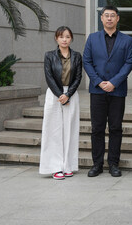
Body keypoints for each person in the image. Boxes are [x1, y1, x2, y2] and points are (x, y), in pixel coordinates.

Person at [83, 6, 132, 177]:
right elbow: (87, 61)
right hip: (97, 91)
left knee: (115, 128)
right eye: (106, 15)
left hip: (117, 91)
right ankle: (97, 164)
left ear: (117, 18)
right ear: (101, 18)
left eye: (113, 15)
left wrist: (114, 82)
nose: (109, 18)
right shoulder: (92, 38)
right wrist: (98, 82)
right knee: (97, 128)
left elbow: (128, 63)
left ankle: (113, 164)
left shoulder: (127, 40)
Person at [39, 26, 82, 180]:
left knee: (71, 129)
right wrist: (60, 94)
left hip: (71, 94)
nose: (64, 39)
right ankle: (55, 167)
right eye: (61, 36)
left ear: (71, 39)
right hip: (54, 95)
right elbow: (49, 77)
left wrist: (68, 94)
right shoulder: (49, 55)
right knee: (53, 130)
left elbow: (78, 77)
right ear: (56, 38)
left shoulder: (76, 56)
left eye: (67, 37)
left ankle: (68, 165)